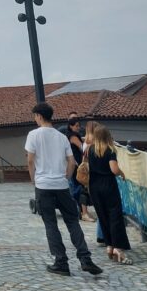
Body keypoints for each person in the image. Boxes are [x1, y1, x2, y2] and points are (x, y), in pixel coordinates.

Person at [25, 102, 101, 276]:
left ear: (38, 116)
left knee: (51, 224)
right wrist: (66, 177)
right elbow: (72, 161)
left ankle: (61, 262)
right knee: (72, 221)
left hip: (43, 185)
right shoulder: (61, 137)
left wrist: (33, 179)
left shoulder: (33, 135)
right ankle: (85, 258)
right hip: (61, 184)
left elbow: (30, 160)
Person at [87, 123, 132, 265]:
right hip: (108, 186)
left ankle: (109, 246)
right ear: (107, 136)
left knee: (103, 216)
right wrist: (122, 173)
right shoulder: (110, 150)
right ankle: (118, 248)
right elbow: (114, 169)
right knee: (115, 216)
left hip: (94, 187)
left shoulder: (90, 149)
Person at [66, 116, 85, 215]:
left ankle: (79, 208)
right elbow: (82, 147)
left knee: (77, 185)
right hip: (77, 164)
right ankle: (75, 206)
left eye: (79, 126)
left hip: (76, 163)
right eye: (76, 126)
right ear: (71, 126)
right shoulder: (73, 136)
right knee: (79, 186)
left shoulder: (72, 135)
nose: (78, 127)